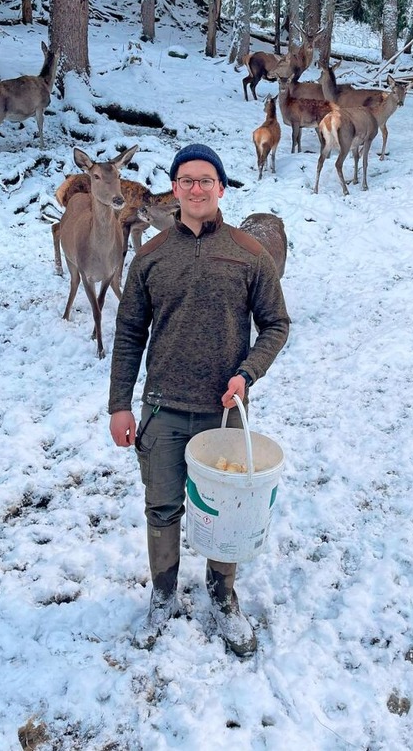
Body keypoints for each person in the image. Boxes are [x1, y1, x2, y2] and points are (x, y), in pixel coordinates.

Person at [108, 143, 289, 657]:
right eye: (185, 180)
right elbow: (128, 333)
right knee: (161, 507)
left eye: (205, 179)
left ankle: (222, 594)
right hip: (163, 407)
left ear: (221, 188)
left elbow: (276, 324)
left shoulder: (248, 253)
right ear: (175, 188)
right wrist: (120, 402)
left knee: (227, 511)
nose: (195, 188)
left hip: (224, 411)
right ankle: (162, 595)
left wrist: (246, 374)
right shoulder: (149, 256)